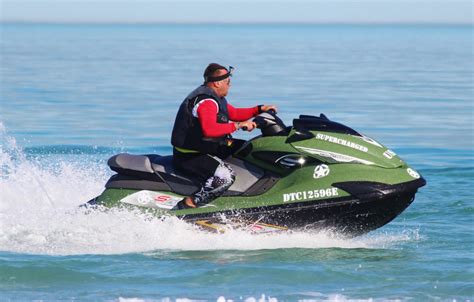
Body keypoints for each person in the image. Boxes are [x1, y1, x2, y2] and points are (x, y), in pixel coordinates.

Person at [171, 63, 276, 209]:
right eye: (227, 82)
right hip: (191, 156)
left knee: (248, 149)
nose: (230, 85)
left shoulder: (216, 97)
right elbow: (210, 130)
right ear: (217, 83)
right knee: (226, 177)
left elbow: (233, 113)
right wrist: (238, 126)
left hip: (208, 146)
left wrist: (259, 109)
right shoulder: (206, 102)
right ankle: (190, 204)